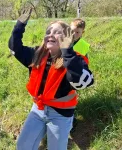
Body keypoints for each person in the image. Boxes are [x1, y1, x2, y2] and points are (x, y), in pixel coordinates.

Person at [8, 9, 94, 150]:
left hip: (60, 114)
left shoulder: (76, 59)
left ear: (67, 37)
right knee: (23, 146)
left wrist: (67, 51)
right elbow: (14, 48)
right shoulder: (37, 54)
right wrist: (19, 25)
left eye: (56, 32)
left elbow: (81, 81)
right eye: (48, 32)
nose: (50, 35)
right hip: (38, 109)